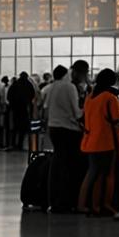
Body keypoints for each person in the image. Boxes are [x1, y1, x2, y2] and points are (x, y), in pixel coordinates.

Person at [79, 69, 119, 220]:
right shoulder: (110, 98)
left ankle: (90, 205)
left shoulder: (90, 97)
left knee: (93, 173)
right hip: (106, 142)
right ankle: (105, 204)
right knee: (108, 175)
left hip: (90, 140)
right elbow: (117, 121)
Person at [44, 64, 84, 213]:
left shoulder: (51, 87)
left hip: (53, 128)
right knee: (69, 165)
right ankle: (67, 200)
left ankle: (54, 200)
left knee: (57, 163)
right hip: (68, 129)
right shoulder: (69, 87)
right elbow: (77, 113)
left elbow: (46, 107)